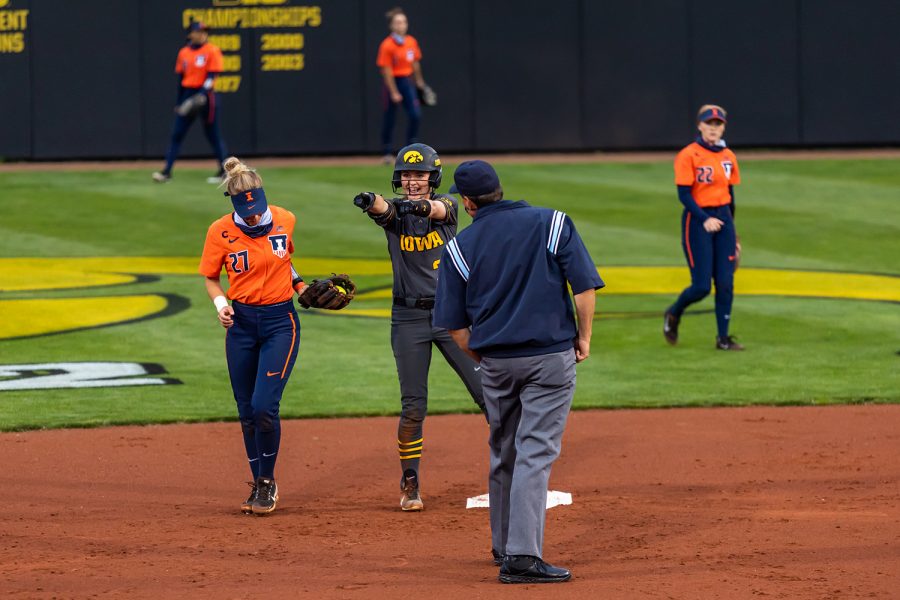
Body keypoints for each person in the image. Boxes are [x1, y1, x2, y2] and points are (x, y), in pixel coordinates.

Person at [433, 160, 604, 584]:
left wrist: (484, 359)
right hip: (549, 359)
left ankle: (504, 543)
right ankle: (523, 557)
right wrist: (583, 339)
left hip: (495, 363)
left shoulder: (459, 247)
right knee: (535, 452)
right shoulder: (552, 222)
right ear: (500, 189)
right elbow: (583, 288)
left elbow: (455, 327)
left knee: (504, 449)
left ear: (468, 203)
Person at [352, 143, 487, 512]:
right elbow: (384, 209)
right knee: (413, 406)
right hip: (408, 318)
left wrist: (409, 205)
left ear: (433, 178)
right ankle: (410, 482)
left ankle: (513, 469)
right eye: (407, 175)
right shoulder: (394, 214)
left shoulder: (450, 206)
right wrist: (371, 201)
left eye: (420, 174)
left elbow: (437, 209)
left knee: (487, 393)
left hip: (450, 315)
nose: (412, 181)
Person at [199, 156, 307, 515]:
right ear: (234, 205)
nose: (255, 217)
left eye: (258, 210)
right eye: (248, 213)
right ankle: (260, 484)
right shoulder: (219, 232)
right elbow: (211, 278)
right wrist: (221, 306)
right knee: (246, 411)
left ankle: (267, 480)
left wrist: (302, 285)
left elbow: (285, 261)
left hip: (280, 323)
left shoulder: (285, 219)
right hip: (241, 324)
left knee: (264, 406)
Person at [664, 104, 743, 350]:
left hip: (724, 219)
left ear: (723, 128)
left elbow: (729, 195)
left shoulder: (728, 155)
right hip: (697, 220)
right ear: (700, 125)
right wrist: (703, 219)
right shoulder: (689, 154)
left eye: (718, 124)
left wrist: (734, 234)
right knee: (701, 287)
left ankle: (723, 338)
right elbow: (684, 195)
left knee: (726, 282)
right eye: (709, 123)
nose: (713, 128)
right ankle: (674, 313)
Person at [153, 21, 228, 184]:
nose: (202, 34)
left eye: (204, 31)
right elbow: (181, 80)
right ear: (190, 34)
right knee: (177, 134)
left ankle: (224, 170)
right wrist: (179, 102)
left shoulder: (212, 50)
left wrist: (202, 95)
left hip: (207, 96)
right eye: (198, 31)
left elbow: (212, 76)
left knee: (213, 134)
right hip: (188, 93)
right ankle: (166, 171)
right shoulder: (184, 53)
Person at [376, 7, 429, 164]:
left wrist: (420, 81)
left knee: (415, 114)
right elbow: (386, 70)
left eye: (404, 22)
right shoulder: (387, 45)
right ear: (392, 26)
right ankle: (387, 152)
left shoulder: (411, 42)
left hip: (407, 81)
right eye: (398, 22)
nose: (401, 25)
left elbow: (415, 63)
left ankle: (411, 150)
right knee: (390, 119)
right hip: (392, 82)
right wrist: (393, 92)